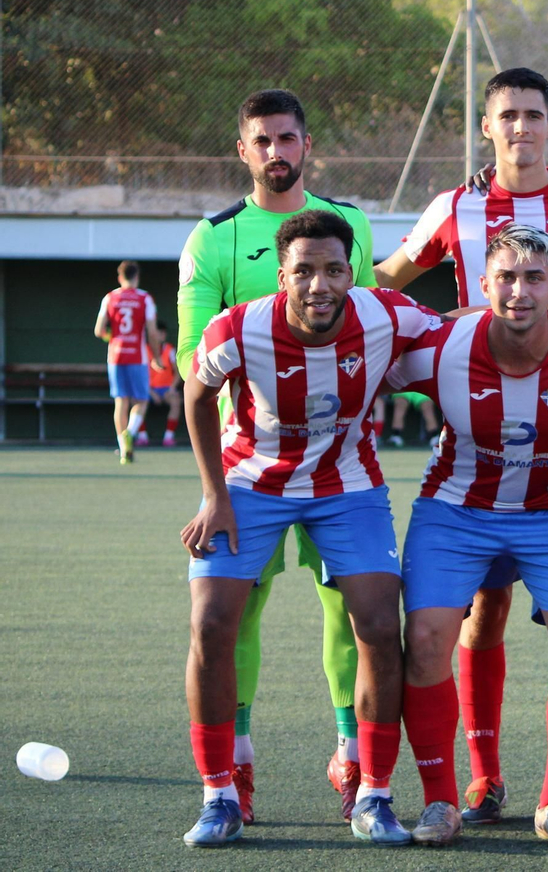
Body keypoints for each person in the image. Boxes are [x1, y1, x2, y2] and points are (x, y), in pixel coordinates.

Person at [376, 67, 548, 824]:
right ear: (487, 126)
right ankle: (483, 775)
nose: (522, 128)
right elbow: (385, 283)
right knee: (479, 618)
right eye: (508, 116)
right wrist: (465, 315)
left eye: (534, 115)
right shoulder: (455, 204)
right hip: (475, 424)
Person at [179, 210, 441, 847]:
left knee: (379, 626)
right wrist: (214, 494)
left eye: (332, 269)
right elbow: (195, 390)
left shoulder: (385, 313)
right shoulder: (239, 328)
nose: (319, 284)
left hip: (347, 485)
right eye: (304, 271)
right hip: (251, 485)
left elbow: (454, 330)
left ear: (351, 270)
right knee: (212, 622)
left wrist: (531, 311)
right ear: (281, 276)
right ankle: (219, 795)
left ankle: (374, 794)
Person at [386, 224, 548, 847]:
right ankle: (442, 799)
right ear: (485, 285)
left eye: (535, 279)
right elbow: (366, 377)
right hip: (456, 511)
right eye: (507, 279)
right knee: (430, 635)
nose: (520, 292)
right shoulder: (440, 347)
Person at [175, 88, 377, 825]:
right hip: (248, 466)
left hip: (342, 462)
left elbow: (378, 324)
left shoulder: (347, 223)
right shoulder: (215, 237)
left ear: (307, 143)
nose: (275, 153)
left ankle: (352, 753)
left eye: (286, 139)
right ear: (243, 151)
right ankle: (238, 764)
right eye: (261, 141)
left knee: (350, 611)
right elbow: (194, 357)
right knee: (233, 614)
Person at [94, 260, 159, 463]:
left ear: (120, 277)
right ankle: (130, 433)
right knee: (141, 400)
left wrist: (111, 337)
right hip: (137, 356)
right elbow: (152, 331)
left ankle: (124, 450)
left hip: (115, 356)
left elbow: (99, 330)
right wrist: (156, 357)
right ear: (137, 276)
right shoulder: (144, 298)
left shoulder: (110, 298)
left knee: (121, 401)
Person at [142, 321, 183, 447]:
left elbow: (177, 373)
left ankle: (168, 437)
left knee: (176, 401)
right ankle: (142, 437)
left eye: (162, 333)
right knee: (136, 401)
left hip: (166, 389)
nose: (160, 335)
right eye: (157, 333)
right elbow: (140, 376)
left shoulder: (170, 350)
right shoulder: (144, 350)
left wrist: (171, 389)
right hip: (148, 389)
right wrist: (151, 392)